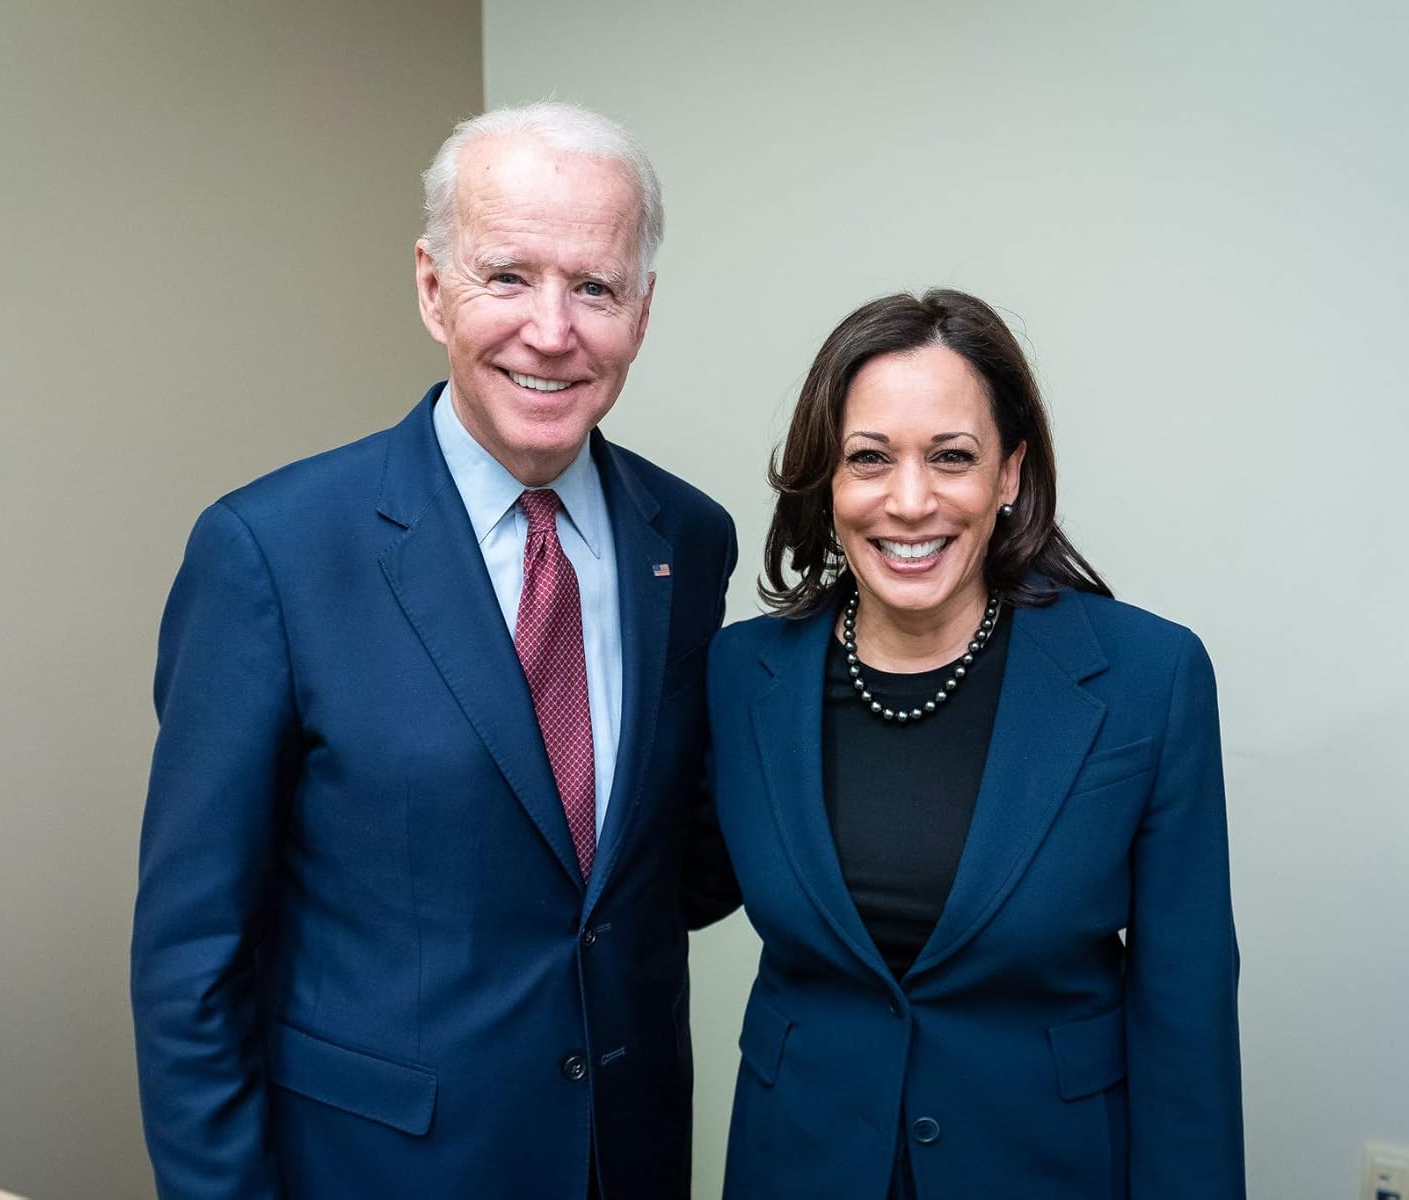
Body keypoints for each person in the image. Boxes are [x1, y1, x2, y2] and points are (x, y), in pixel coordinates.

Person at [131, 102, 737, 1200]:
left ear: (642, 311)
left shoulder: (687, 543)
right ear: (430, 287)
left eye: (594, 287)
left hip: (628, 1161)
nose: (552, 330)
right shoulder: (271, 552)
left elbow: (659, 874)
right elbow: (191, 963)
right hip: (378, 1169)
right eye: (507, 277)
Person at [707, 289, 1243, 1199]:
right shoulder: (738, 674)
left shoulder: (1149, 677)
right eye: (868, 458)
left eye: (951, 458)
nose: (909, 502)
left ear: (1009, 473)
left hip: (1045, 1170)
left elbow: (1185, 1016)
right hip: (797, 1163)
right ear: (826, 482)